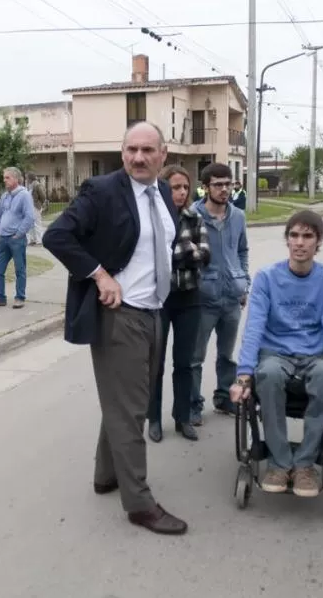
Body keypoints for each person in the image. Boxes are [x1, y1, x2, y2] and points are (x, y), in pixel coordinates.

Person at [42, 121, 187, 535]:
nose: (138, 158)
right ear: (122, 153)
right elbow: (57, 236)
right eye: (130, 150)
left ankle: (106, 475)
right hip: (120, 317)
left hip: (154, 312)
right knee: (130, 412)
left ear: (163, 153)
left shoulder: (162, 192)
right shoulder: (103, 191)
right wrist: (100, 275)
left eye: (147, 150)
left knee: (127, 405)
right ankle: (139, 504)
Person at [229, 210, 323, 498]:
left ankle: (305, 465)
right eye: (294, 235)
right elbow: (254, 330)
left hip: (316, 356)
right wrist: (243, 376)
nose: (300, 242)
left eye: (307, 236)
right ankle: (279, 463)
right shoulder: (267, 278)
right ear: (286, 240)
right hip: (276, 353)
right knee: (268, 374)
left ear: (318, 241)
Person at [147, 165, 211, 443]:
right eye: (176, 187)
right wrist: (188, 251)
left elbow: (206, 255)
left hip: (190, 298)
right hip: (159, 299)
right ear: (164, 188)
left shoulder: (194, 216)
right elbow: (153, 256)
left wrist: (180, 251)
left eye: (185, 187)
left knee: (184, 362)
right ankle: (154, 419)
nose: (182, 192)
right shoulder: (153, 219)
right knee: (155, 363)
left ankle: (183, 418)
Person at [190, 162, 250, 426]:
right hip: (204, 299)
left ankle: (224, 397)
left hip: (232, 298)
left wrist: (243, 280)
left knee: (226, 355)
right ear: (206, 187)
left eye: (228, 184)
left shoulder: (238, 216)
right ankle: (193, 405)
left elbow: (242, 250)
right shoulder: (193, 215)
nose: (224, 189)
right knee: (195, 357)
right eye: (218, 184)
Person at [0, 167, 36, 309]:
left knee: (20, 269)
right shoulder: (4, 196)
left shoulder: (24, 195)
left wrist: (19, 233)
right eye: (4, 177)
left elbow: (30, 217)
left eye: (7, 177)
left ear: (16, 179)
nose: (4, 180)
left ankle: (20, 297)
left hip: (16, 239)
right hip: (3, 238)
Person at [26, 171, 48, 246]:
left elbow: (43, 196)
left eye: (27, 178)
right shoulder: (30, 185)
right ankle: (32, 240)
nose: (26, 180)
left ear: (30, 178)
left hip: (35, 207)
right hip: (30, 207)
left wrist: (40, 204)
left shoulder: (37, 185)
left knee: (37, 223)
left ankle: (39, 240)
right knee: (30, 224)